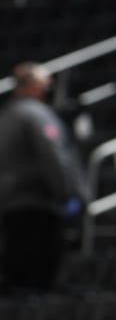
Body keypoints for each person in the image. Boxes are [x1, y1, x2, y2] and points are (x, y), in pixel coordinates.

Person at [0, 63, 89, 291]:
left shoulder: (5, 117)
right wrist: (69, 193)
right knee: (40, 275)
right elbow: (54, 158)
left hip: (10, 205)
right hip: (39, 205)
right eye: (45, 85)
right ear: (32, 86)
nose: (49, 90)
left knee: (15, 273)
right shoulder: (37, 115)